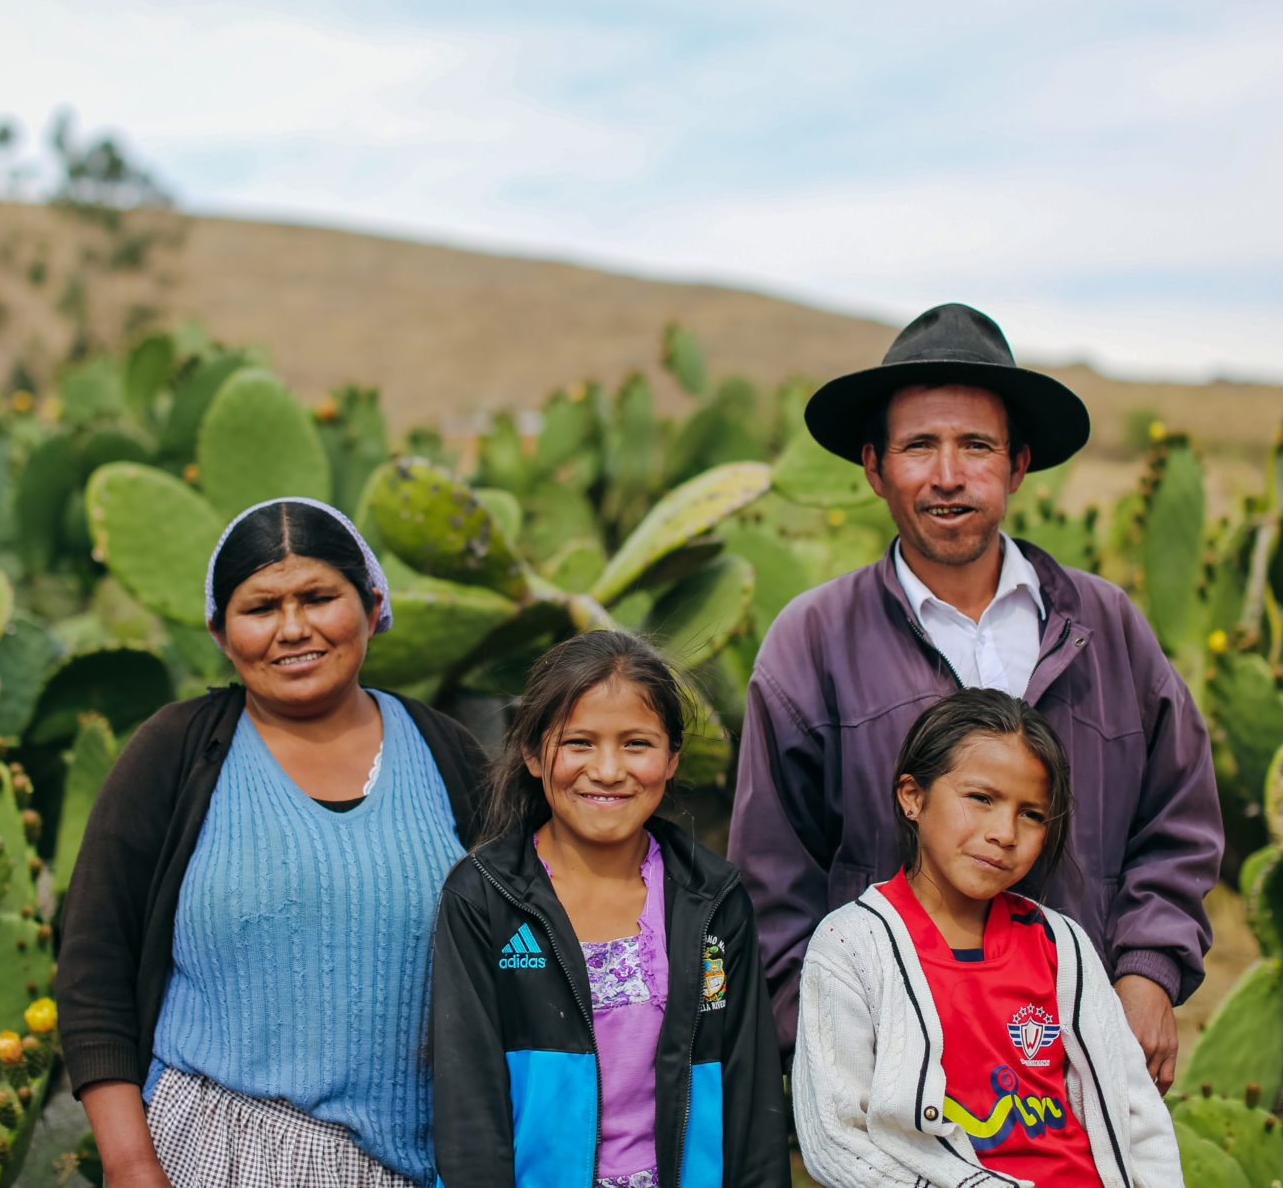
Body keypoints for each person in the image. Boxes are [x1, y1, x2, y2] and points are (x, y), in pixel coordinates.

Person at [729, 302, 1223, 1091]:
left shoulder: (1106, 626)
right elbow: (773, 880)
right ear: (873, 466)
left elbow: (1179, 820)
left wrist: (1147, 973)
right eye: (919, 445)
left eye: (976, 446)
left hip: (1082, 1055)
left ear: (1018, 465)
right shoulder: (811, 641)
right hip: (897, 1082)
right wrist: (830, 1051)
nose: (948, 474)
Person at [55, 497, 488, 1188]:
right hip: (211, 1153)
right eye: (260, 608)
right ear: (221, 633)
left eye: (319, 597)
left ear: (372, 605)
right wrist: (130, 1162)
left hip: (420, 1164)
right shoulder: (177, 752)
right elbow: (93, 967)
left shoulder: (447, 754)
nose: (293, 629)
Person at [431, 629, 786, 1188]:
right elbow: (467, 1104)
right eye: (579, 743)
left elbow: (750, 1092)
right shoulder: (483, 899)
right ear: (530, 752)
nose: (608, 769)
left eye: (637, 744)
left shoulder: (713, 899)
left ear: (672, 759)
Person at [792, 689, 1181, 1188]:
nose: (1005, 832)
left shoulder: (1063, 946)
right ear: (912, 796)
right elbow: (836, 1140)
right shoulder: (851, 947)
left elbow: (1138, 1118)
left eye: (1032, 814)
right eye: (981, 799)